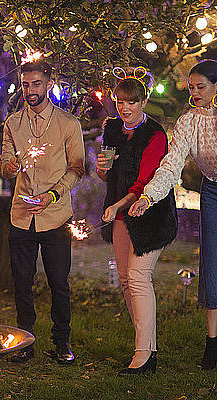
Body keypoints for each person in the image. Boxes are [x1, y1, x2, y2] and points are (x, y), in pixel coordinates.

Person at [130, 59, 217, 371]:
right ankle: (212, 343)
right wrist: (149, 195)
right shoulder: (189, 120)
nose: (194, 93)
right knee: (211, 263)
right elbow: (172, 162)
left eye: (201, 87)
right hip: (213, 191)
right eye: (191, 88)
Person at [0, 60, 85, 365]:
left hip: (56, 216)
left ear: (49, 83)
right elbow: (7, 164)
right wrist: (9, 168)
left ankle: (61, 342)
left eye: (36, 84)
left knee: (58, 283)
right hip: (22, 216)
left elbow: (78, 168)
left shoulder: (68, 124)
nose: (30, 90)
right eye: (25, 84)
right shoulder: (13, 123)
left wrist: (52, 195)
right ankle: (25, 342)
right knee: (22, 282)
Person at [97, 74, 177, 375]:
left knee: (138, 276)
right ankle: (148, 349)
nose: (125, 107)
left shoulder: (154, 135)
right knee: (127, 281)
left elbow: (145, 182)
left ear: (144, 102)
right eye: (120, 101)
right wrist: (101, 170)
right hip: (121, 215)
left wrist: (117, 204)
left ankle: (142, 355)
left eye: (132, 102)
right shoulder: (113, 129)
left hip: (150, 214)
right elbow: (110, 175)